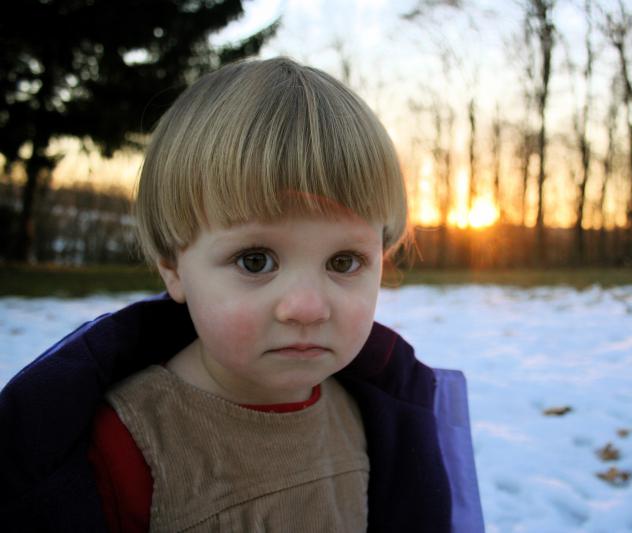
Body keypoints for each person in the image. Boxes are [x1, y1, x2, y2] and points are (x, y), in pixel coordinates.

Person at [0, 57, 483, 532]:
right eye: (256, 261)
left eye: (344, 262)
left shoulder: (381, 423)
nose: (307, 308)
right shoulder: (123, 446)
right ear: (173, 267)